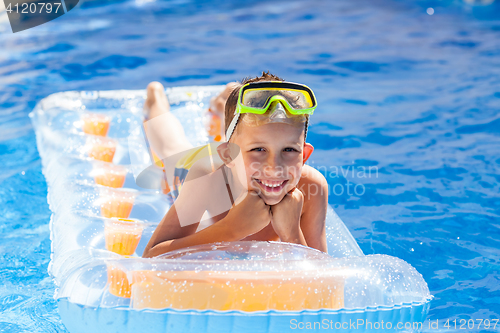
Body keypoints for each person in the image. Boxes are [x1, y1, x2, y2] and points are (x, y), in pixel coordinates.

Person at [142, 72, 329, 258]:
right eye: (260, 150)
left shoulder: (311, 187)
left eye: (289, 150)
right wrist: (230, 230)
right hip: (204, 167)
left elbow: (325, 282)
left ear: (304, 155)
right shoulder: (207, 177)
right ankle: (155, 100)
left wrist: (291, 234)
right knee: (172, 148)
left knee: (243, 136)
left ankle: (226, 102)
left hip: (237, 154)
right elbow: (150, 256)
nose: (274, 167)